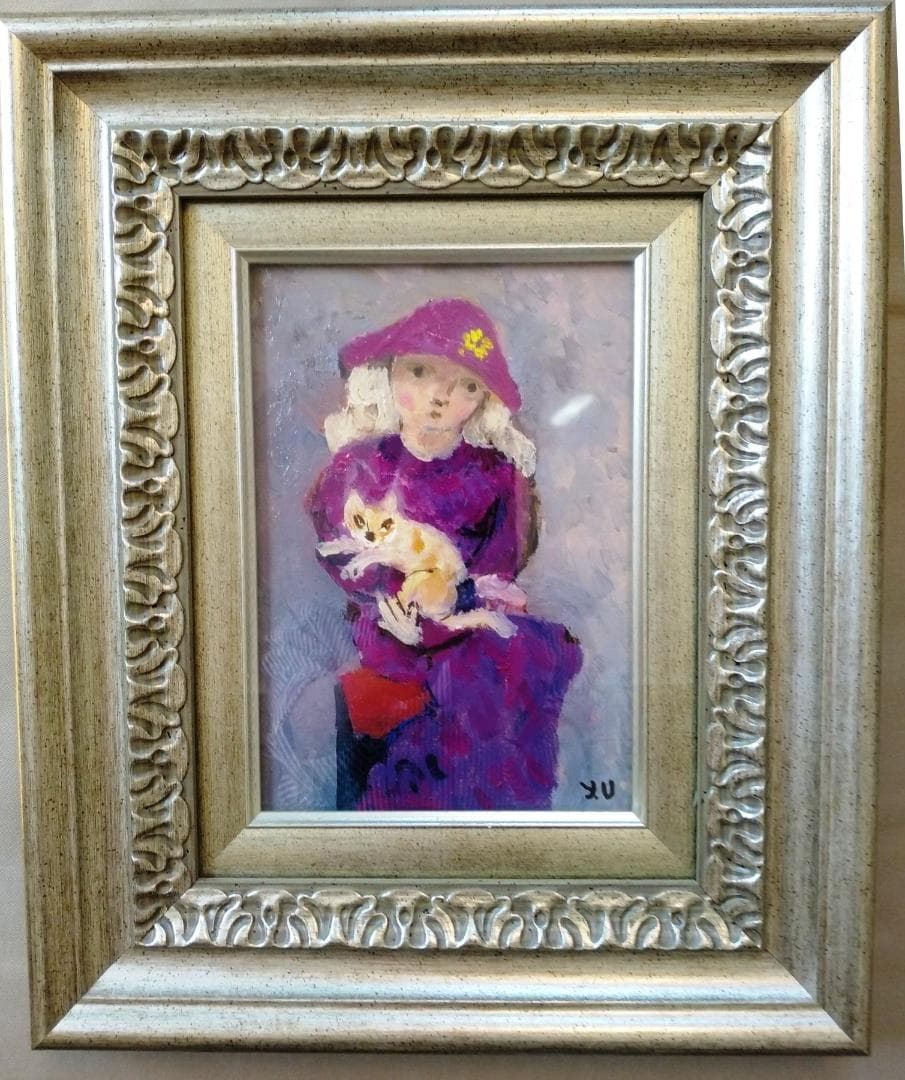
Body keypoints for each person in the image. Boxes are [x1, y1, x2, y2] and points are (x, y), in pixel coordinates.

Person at [306, 297, 582, 810]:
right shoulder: (358, 466)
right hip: (387, 621)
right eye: (420, 372)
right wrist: (396, 610)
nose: (439, 396)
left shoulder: (498, 474)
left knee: (527, 652)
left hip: (465, 610)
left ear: (483, 399)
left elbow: (500, 565)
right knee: (462, 673)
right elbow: (342, 553)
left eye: (465, 385)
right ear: (388, 373)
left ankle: (496, 819)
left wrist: (454, 605)